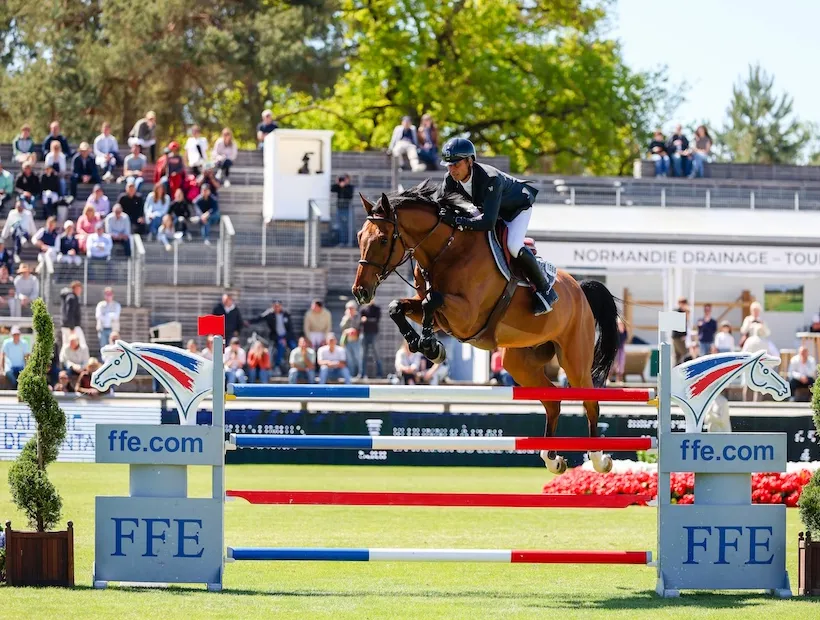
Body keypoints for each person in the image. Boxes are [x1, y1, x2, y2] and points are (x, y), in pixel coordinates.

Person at [437, 137, 548, 315]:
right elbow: (439, 206)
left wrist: (457, 221)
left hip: (516, 209)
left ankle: (544, 290)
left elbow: (488, 223)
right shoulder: (450, 179)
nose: (452, 170)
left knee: (513, 245)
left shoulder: (490, 179)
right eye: (449, 165)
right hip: (490, 210)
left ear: (470, 161)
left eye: (456, 164)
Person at [95, 287, 121, 353]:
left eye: (110, 294)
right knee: (103, 348)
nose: (108, 296)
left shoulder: (116, 305)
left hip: (113, 330)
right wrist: (110, 315)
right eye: (106, 294)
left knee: (113, 347)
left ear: (113, 295)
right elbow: (98, 316)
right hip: (102, 329)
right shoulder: (100, 305)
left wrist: (105, 315)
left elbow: (116, 316)